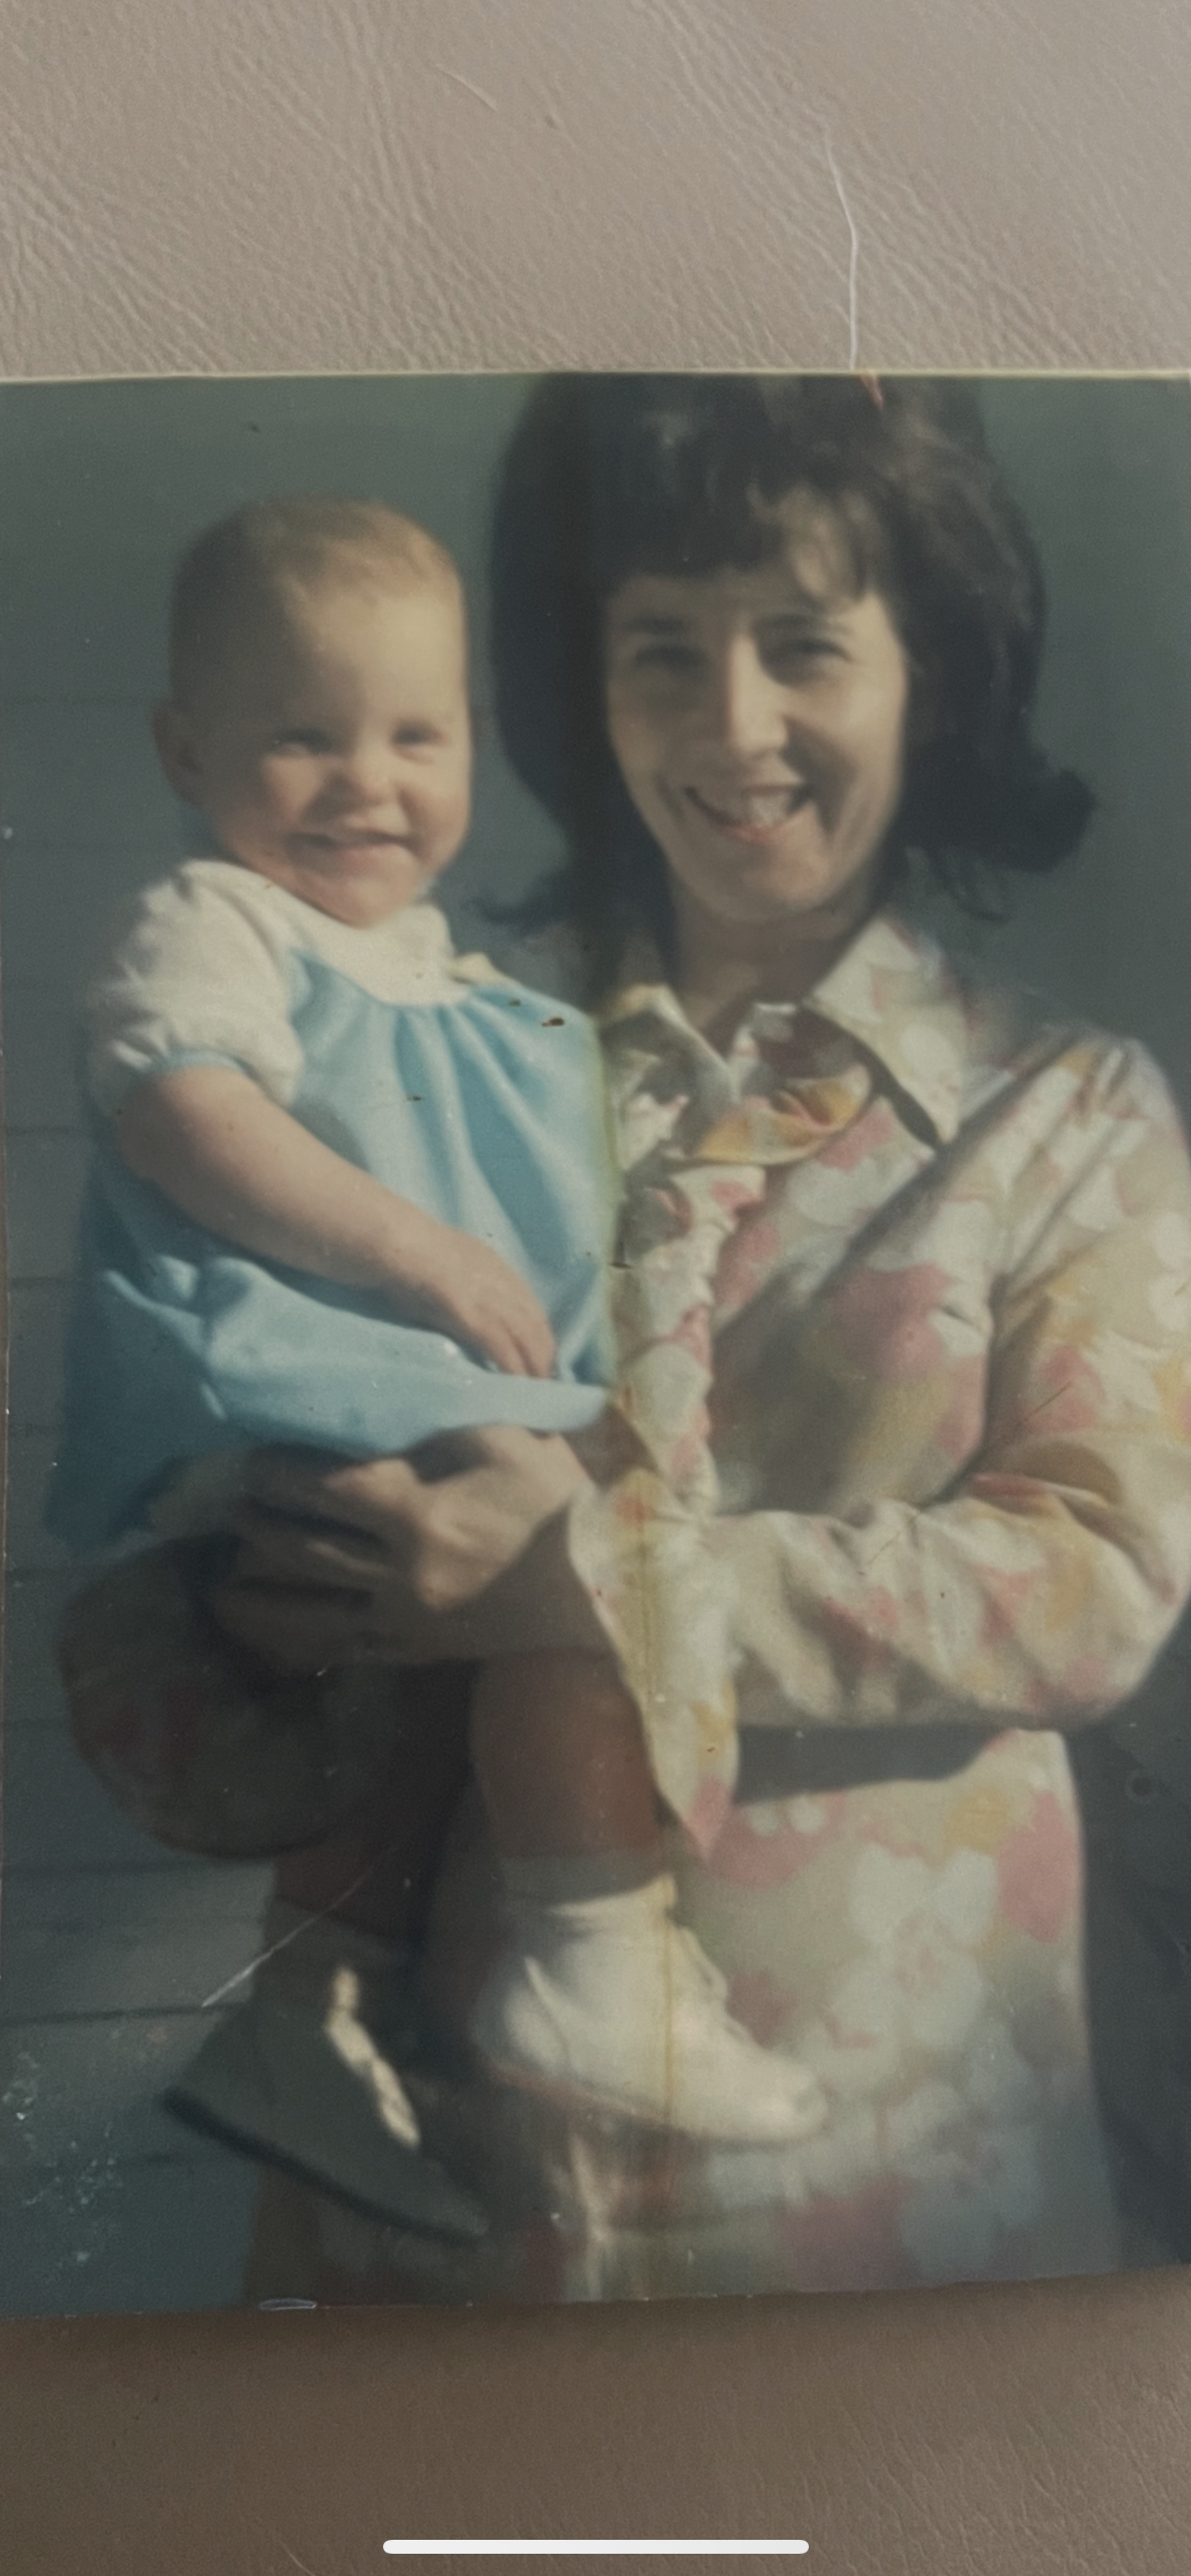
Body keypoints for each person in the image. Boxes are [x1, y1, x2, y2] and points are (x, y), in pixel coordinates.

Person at [62, 376, 1191, 2299]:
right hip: (437, 2218)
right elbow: (177, 1668)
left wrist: (595, 1580)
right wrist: (274, 1600)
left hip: (879, 2196)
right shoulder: (415, 1058)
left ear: (931, 670)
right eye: (663, 649)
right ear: (578, 691)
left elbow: (1095, 1586)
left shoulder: (1067, 1114)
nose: (735, 724)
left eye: (807, 645)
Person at [48, 493, 825, 2238]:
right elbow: (185, 1115)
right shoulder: (215, 921)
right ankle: (595, 1957)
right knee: (579, 1555)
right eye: (301, 734)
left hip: (351, 1387)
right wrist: (421, 1251)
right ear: (189, 749)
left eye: (417, 733)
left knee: (450, 1658)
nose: (364, 780)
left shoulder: (461, 981)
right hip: (267, 1366)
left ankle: (303, 2018)